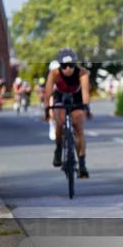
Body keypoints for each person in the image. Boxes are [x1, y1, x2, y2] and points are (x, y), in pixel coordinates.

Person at [43, 48, 92, 178]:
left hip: (76, 97)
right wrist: (47, 109)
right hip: (61, 96)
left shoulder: (82, 72)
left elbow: (85, 93)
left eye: (71, 65)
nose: (68, 69)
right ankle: (58, 148)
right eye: (64, 66)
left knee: (79, 128)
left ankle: (82, 164)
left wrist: (87, 108)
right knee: (60, 122)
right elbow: (47, 93)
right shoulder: (54, 73)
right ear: (60, 65)